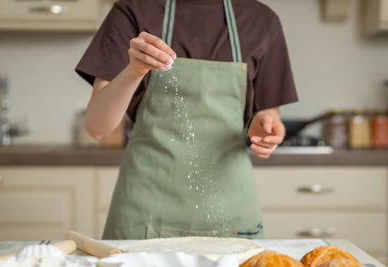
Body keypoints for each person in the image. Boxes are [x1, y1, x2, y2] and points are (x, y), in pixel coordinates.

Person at [75, 0, 298, 240]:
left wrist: (266, 125)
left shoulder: (262, 21)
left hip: (230, 212)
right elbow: (96, 127)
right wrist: (134, 71)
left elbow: (268, 114)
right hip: (144, 212)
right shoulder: (134, 10)